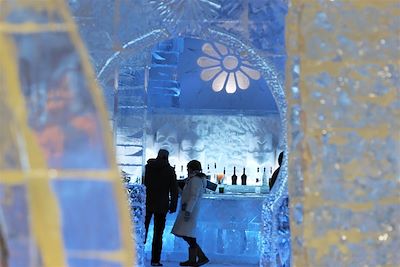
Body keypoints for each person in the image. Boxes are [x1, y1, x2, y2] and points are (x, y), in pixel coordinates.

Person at [144, 149, 178, 266]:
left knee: (143, 230)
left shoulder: (148, 167)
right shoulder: (169, 170)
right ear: (167, 157)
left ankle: (136, 255)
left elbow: (144, 184)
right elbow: (174, 190)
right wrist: (173, 205)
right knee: (158, 234)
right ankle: (155, 260)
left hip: (147, 203)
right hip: (161, 205)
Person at [172, 160, 209, 267]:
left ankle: (201, 257)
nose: (187, 170)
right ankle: (193, 259)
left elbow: (194, 196)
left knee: (187, 234)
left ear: (191, 169)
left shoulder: (195, 180)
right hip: (188, 209)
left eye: (188, 168)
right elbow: (188, 194)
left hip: (190, 211)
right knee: (187, 234)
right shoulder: (194, 179)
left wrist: (188, 210)